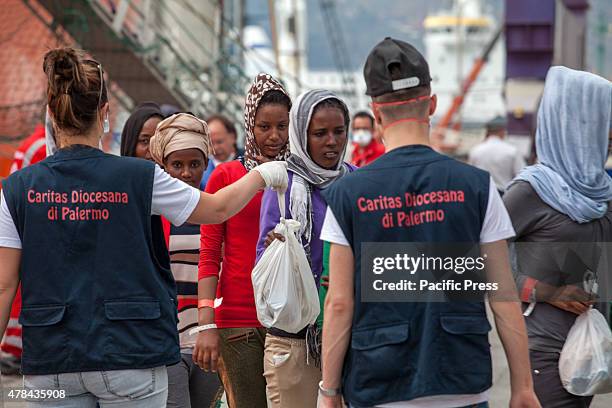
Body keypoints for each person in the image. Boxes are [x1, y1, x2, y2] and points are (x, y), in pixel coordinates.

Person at [0, 48, 287, 407]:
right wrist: (263, 174)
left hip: (49, 362)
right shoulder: (140, 176)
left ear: (51, 114)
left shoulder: (16, 189)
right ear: (105, 114)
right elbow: (217, 209)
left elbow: (3, 286)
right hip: (130, 356)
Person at [317, 38, 540, 408]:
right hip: (461, 378)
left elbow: (340, 303)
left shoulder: (346, 195)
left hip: (378, 381)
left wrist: (329, 391)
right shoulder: (477, 187)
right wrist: (522, 387)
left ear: (375, 115)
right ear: (432, 104)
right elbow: (503, 295)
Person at [503, 66, 612, 408]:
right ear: (579, 124)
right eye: (604, 117)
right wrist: (548, 292)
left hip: (592, 349)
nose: (610, 131)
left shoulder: (602, 191)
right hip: (543, 351)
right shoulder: (531, 190)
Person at [194, 73, 292, 408]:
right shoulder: (227, 177)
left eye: (282, 126)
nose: (274, 136)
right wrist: (205, 325)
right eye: (264, 126)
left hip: (293, 321)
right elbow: (209, 257)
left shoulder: (301, 178)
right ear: (250, 124)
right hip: (238, 323)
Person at [257, 90, 356, 408]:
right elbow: (263, 258)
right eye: (320, 133)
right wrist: (282, 257)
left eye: (338, 131)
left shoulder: (355, 183)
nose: (331, 141)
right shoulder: (281, 184)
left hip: (347, 337)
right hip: (293, 341)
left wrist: (351, 276)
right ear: (301, 135)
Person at [147, 113, 223, 408]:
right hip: (168, 342)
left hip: (210, 341)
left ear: (205, 164)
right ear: (163, 166)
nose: (186, 173)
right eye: (176, 165)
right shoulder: (155, 218)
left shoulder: (215, 214)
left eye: (194, 164)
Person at [0, 124, 47, 375]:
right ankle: (17, 350)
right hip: (28, 221)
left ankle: (15, 347)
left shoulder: (35, 141)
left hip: (20, 219)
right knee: (17, 286)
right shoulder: (42, 146)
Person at [468, 115, 526, 195]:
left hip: (482, 196)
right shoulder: (512, 151)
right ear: (502, 131)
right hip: (505, 196)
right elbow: (521, 177)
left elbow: (471, 176)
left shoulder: (475, 151)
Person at [200, 114, 241, 189]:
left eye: (219, 142)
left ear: (233, 137)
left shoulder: (248, 162)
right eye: (210, 143)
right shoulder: (202, 169)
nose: (215, 148)